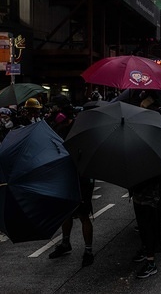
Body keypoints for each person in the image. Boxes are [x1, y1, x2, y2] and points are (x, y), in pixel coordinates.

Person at [47, 96, 96, 267]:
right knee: (65, 212)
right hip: (64, 176)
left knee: (83, 215)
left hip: (80, 177)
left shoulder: (78, 127)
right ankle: (65, 243)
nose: (51, 111)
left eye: (54, 108)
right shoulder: (55, 126)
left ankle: (88, 251)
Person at [129, 175, 161, 279]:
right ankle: (147, 252)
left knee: (148, 229)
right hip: (139, 197)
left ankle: (150, 262)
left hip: (149, 198)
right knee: (143, 229)